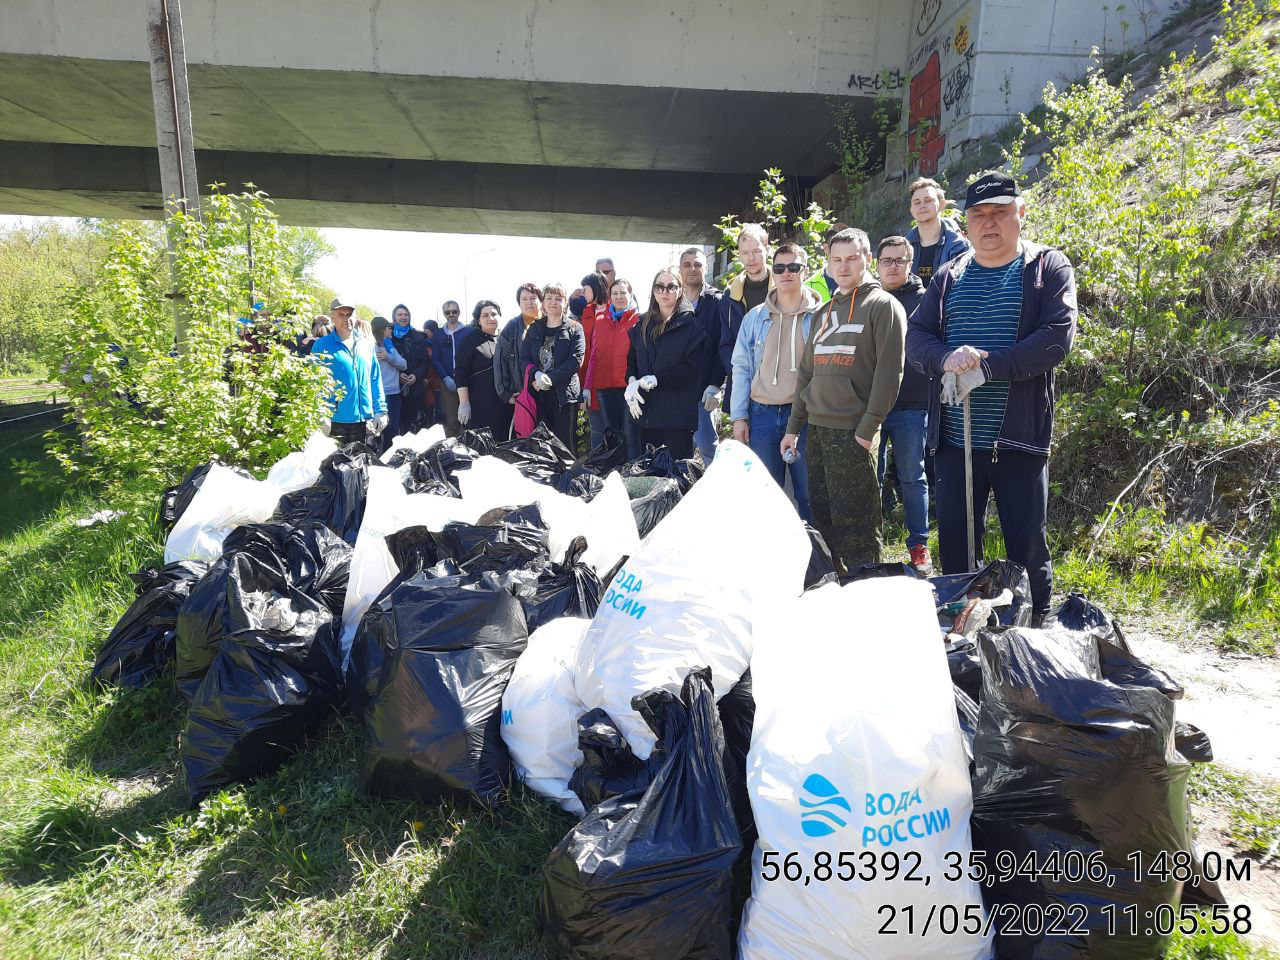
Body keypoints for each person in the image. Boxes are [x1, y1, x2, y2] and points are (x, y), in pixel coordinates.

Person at [906, 171, 1077, 625]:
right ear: (965, 224)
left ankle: (1035, 634)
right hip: (954, 442)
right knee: (959, 549)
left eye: (1000, 212)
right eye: (978, 215)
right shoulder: (949, 275)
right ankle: (965, 635)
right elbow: (917, 338)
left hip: (1017, 439)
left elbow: (1056, 338)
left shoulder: (1046, 269)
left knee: (1026, 545)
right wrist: (946, 359)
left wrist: (987, 366)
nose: (989, 223)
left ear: (1020, 214)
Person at [781, 229, 906, 574]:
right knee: (824, 519)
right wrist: (794, 426)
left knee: (858, 526)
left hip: (853, 430)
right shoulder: (823, 312)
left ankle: (865, 593)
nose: (844, 266)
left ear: (867, 259)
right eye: (836, 259)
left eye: (852, 258)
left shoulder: (883, 307)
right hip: (817, 430)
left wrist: (868, 429)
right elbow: (806, 373)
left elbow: (889, 373)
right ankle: (834, 590)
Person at [729, 241, 822, 520]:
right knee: (765, 493)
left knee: (809, 493)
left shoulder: (821, 316)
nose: (786, 273)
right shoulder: (755, 317)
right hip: (762, 415)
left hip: (804, 415)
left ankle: (814, 558)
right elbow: (741, 367)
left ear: (804, 270)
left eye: (793, 267)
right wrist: (738, 416)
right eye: (780, 267)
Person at [875, 235, 933, 573]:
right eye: (887, 261)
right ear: (877, 264)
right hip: (871, 406)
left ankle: (919, 547)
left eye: (899, 260)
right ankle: (871, 544)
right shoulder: (867, 298)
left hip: (912, 404)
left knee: (913, 477)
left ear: (910, 263)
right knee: (872, 477)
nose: (893, 266)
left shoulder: (925, 300)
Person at [625, 267, 707, 459]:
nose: (664, 292)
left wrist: (658, 379)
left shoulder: (692, 326)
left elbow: (692, 370)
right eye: (659, 287)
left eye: (671, 287)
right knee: (651, 474)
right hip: (647, 414)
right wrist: (631, 383)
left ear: (680, 289)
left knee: (677, 476)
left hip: (677, 416)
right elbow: (632, 360)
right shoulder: (641, 324)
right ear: (653, 290)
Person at [311, 296, 388, 445]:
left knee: (364, 465)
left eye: (349, 314)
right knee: (336, 466)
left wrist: (381, 411)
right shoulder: (321, 346)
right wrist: (320, 414)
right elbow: (315, 383)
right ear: (333, 317)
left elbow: (375, 379)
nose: (346, 318)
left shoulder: (366, 344)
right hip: (335, 420)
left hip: (366, 420)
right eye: (341, 314)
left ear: (356, 316)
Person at [520, 282, 586, 447]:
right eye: (548, 298)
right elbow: (524, 359)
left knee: (565, 444)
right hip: (539, 395)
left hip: (565, 396)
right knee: (543, 445)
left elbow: (576, 360)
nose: (552, 302)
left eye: (558, 298)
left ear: (565, 303)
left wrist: (548, 378)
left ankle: (568, 473)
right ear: (543, 303)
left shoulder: (574, 328)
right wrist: (536, 374)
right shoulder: (534, 329)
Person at [718, 224, 773, 419]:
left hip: (777, 384)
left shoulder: (783, 287)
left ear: (767, 248)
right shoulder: (730, 296)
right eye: (745, 252)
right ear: (739, 255)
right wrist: (739, 372)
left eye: (756, 251)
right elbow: (725, 343)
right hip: (742, 386)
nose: (751, 258)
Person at [585, 277, 642, 459]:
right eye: (615, 293)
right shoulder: (600, 320)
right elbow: (594, 355)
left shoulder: (638, 320)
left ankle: (631, 475)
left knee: (631, 434)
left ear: (630, 295)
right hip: (604, 387)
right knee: (612, 435)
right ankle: (614, 472)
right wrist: (587, 386)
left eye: (622, 293)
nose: (618, 297)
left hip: (628, 387)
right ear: (610, 296)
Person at [677, 247, 724, 462]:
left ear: (705, 269)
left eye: (697, 264)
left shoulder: (718, 302)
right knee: (678, 450)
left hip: (705, 389)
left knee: (707, 447)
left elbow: (723, 345)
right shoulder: (672, 302)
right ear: (680, 270)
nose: (692, 269)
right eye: (687, 265)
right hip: (676, 390)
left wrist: (715, 384)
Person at [455, 300, 512, 439]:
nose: (490, 318)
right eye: (485, 315)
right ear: (478, 320)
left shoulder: (505, 340)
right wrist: (464, 403)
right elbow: (460, 372)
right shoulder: (470, 340)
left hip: (504, 405)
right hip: (480, 406)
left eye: (493, 314)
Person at [906, 177, 970, 287]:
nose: (922, 206)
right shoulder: (904, 248)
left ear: (942, 204)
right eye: (917, 202)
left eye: (928, 200)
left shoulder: (959, 247)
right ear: (911, 210)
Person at [495, 282, 544, 404]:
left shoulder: (550, 322)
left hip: (549, 389)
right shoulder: (512, 328)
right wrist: (505, 393)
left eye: (533, 298)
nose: (529, 302)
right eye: (524, 299)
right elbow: (500, 360)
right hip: (523, 393)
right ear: (519, 303)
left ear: (540, 300)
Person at [578, 272, 611, 449]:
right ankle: (597, 465)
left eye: (585, 288)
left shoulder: (614, 308)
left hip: (610, 376)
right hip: (588, 378)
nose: (583, 293)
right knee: (596, 428)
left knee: (613, 427)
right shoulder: (586, 311)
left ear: (595, 287)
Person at [389, 303, 430, 434]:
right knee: (394, 424)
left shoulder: (418, 337)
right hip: (394, 386)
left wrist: (416, 376)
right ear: (394, 318)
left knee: (413, 424)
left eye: (406, 314)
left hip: (415, 386)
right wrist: (399, 375)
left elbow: (425, 361)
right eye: (400, 314)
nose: (403, 317)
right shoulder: (387, 337)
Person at [431, 299, 466, 436]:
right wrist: (445, 377)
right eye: (447, 312)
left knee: (469, 417)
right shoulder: (438, 334)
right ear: (444, 314)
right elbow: (436, 358)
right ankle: (454, 451)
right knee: (451, 419)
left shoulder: (468, 332)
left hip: (467, 381)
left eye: (454, 311)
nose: (451, 314)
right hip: (447, 382)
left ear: (459, 312)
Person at [371, 315, 407, 448]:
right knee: (377, 431)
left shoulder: (390, 347)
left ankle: (388, 461)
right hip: (379, 396)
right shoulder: (371, 349)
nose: (391, 330)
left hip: (394, 394)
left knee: (392, 431)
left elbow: (404, 365)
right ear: (382, 330)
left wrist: (388, 357)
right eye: (389, 328)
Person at [805, 222, 849, 302]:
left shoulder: (862, 281)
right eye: (836, 247)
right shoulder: (809, 286)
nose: (842, 252)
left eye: (847, 248)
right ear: (826, 248)